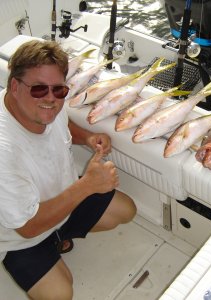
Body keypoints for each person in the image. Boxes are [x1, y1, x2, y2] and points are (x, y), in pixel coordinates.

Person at [0, 39, 136, 300]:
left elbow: (61, 121)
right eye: (39, 89)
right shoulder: (4, 151)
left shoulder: (44, 107)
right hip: (20, 237)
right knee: (60, 294)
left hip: (62, 202)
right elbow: (27, 227)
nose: (51, 99)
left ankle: (59, 236)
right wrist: (87, 186)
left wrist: (86, 137)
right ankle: (48, 248)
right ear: (15, 86)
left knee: (125, 211)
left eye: (59, 90)